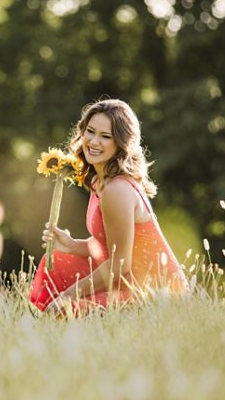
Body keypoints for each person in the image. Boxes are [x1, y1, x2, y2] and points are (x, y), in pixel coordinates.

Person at [28, 99, 187, 315]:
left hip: (156, 295)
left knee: (66, 310)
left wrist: (68, 295)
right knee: (56, 262)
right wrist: (74, 245)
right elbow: (110, 247)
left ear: (121, 143)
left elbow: (120, 264)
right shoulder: (99, 182)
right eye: (90, 131)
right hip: (128, 279)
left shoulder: (117, 190)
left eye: (106, 136)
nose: (94, 141)